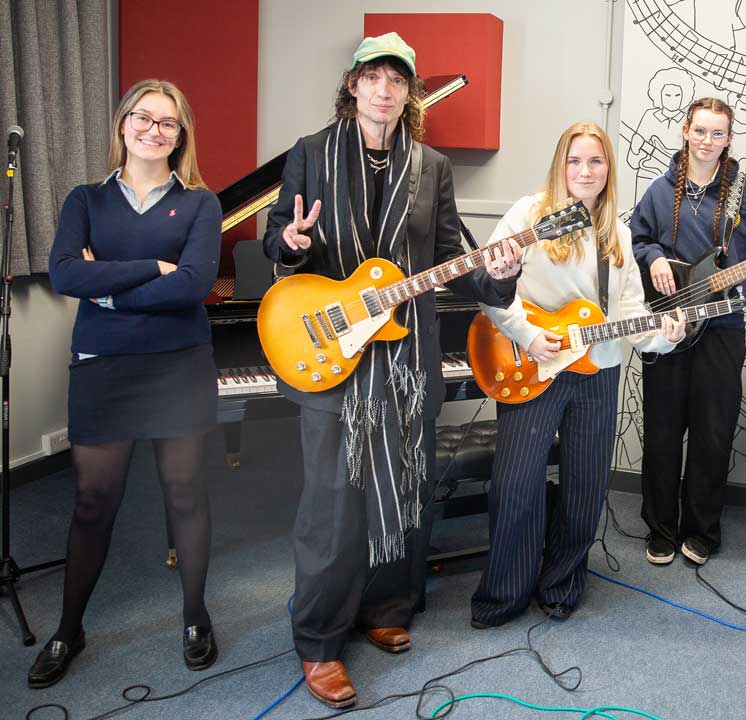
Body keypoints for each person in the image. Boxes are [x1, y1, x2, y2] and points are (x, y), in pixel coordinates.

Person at [261, 33, 521, 708]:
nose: (384, 89)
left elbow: (449, 256)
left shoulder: (431, 167)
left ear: (410, 95)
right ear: (353, 85)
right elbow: (276, 239)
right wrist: (288, 242)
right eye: (373, 76)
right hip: (335, 362)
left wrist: (498, 277)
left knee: (406, 489)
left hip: (406, 362)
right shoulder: (310, 153)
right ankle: (319, 639)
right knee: (332, 506)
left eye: (397, 80)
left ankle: (385, 607)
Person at [36, 79, 221, 688]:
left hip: (178, 364)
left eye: (167, 123)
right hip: (103, 365)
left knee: (186, 494)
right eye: (143, 118)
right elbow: (65, 275)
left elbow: (193, 285)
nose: (153, 130)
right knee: (93, 502)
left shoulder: (200, 204)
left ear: (181, 135)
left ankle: (195, 616)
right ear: (123, 124)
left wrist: (109, 288)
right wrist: (151, 268)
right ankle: (69, 628)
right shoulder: (85, 200)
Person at [470, 123, 685, 628]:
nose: (585, 172)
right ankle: (504, 594)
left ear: (609, 169)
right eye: (575, 161)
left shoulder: (618, 234)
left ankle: (562, 583)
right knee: (516, 485)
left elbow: (630, 313)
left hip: (598, 371)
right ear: (559, 166)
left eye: (596, 161)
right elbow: (488, 286)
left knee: (585, 487)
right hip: (533, 363)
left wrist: (666, 336)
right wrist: (527, 335)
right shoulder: (528, 215)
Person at [631, 97, 746, 566]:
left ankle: (702, 531)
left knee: (713, 434)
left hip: (724, 327)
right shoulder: (659, 191)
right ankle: (660, 529)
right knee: (662, 432)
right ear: (685, 131)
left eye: (718, 133)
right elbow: (635, 241)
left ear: (729, 139)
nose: (707, 141)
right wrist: (653, 257)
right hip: (668, 325)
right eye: (700, 131)